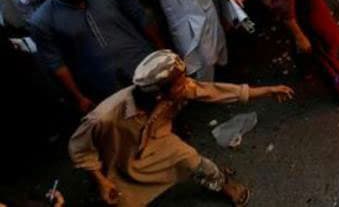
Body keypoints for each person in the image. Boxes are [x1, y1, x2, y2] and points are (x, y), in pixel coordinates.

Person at [69, 49, 293, 206]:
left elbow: (218, 92)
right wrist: (100, 181)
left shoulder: (175, 90)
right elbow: (79, 149)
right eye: (179, 84)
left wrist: (267, 91)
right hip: (119, 160)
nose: (186, 85)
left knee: (194, 162)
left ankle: (223, 184)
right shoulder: (104, 117)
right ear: (158, 93)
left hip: (160, 143)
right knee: (119, 199)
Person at [28, 0, 162, 111]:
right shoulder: (42, 20)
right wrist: (79, 97)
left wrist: (161, 51)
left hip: (140, 61)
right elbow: (56, 63)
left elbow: (142, 18)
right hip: (102, 82)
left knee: (164, 106)